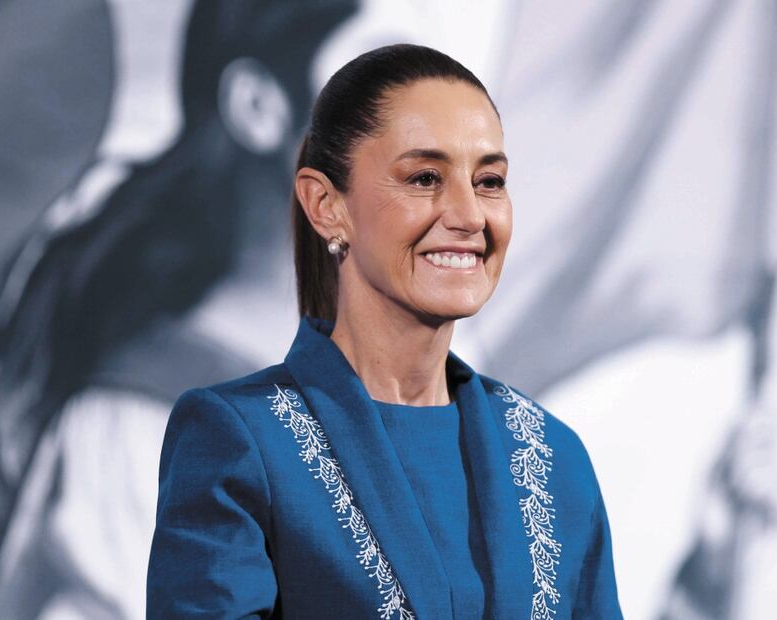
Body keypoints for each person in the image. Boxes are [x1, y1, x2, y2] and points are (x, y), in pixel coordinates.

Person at [147, 43, 625, 619]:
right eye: (425, 177)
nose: (470, 215)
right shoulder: (239, 439)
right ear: (326, 205)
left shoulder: (553, 456)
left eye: (490, 181)